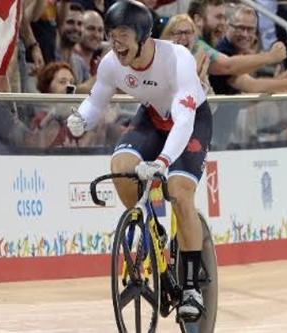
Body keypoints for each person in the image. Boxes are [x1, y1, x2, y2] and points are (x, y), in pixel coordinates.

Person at [67, 0, 210, 321]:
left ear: (144, 36)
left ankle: (191, 288)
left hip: (190, 120)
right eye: (111, 35)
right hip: (152, 118)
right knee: (120, 169)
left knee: (180, 192)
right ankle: (150, 228)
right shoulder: (111, 63)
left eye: (122, 36)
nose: (116, 44)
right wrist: (82, 119)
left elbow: (184, 120)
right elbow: (97, 100)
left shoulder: (177, 59)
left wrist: (162, 160)